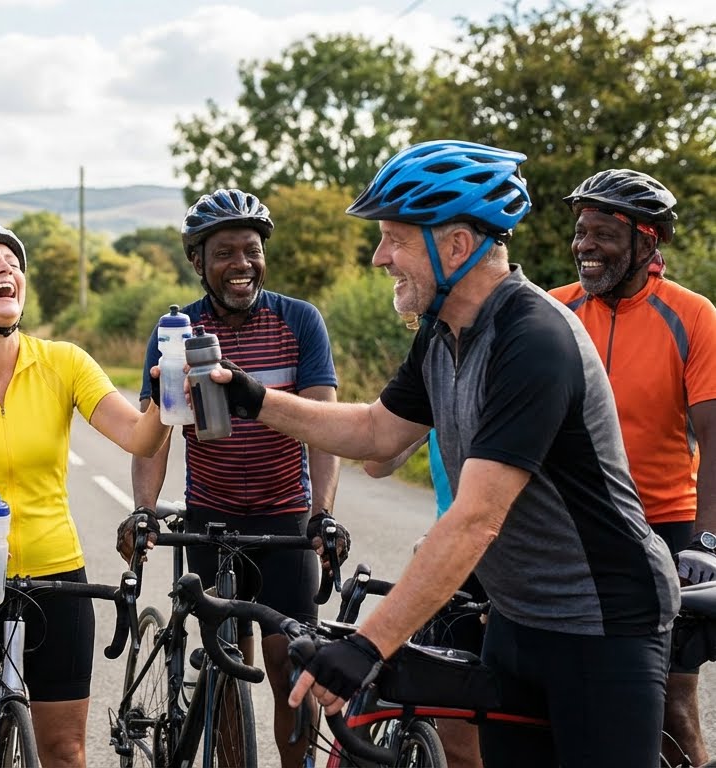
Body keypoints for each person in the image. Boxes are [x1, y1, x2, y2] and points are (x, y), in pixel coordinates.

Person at [208, 140, 678, 767]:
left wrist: (369, 646)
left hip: (604, 621)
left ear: (456, 246)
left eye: (395, 240)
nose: (381, 258)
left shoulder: (532, 339)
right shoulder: (443, 330)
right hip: (519, 618)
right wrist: (252, 397)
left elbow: (477, 516)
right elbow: (378, 434)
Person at [0, 221, 170, 768]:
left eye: (12, 261)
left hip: (56, 578)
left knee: (65, 752)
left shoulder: (64, 362)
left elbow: (138, 436)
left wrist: (166, 403)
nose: (7, 269)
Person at [126, 187, 344, 767]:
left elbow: (324, 428)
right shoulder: (176, 332)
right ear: (198, 262)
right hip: (211, 521)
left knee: (290, 667)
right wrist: (144, 510)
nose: (242, 264)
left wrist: (322, 514)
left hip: (284, 520)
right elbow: (155, 437)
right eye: (225, 252)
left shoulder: (300, 321)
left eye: (252, 250)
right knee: (224, 661)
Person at [548, 168, 715, 766]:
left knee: (669, 706)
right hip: (570, 527)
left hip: (664, 526)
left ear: (649, 242)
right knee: (549, 699)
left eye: (603, 234)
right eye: (580, 231)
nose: (585, 246)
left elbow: (712, 439)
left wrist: (707, 540)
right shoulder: (554, 310)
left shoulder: (692, 316)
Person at [363, 428, 484, 768]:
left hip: (522, 569)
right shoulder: (438, 385)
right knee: (457, 744)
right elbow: (376, 464)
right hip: (453, 569)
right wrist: (407, 420)